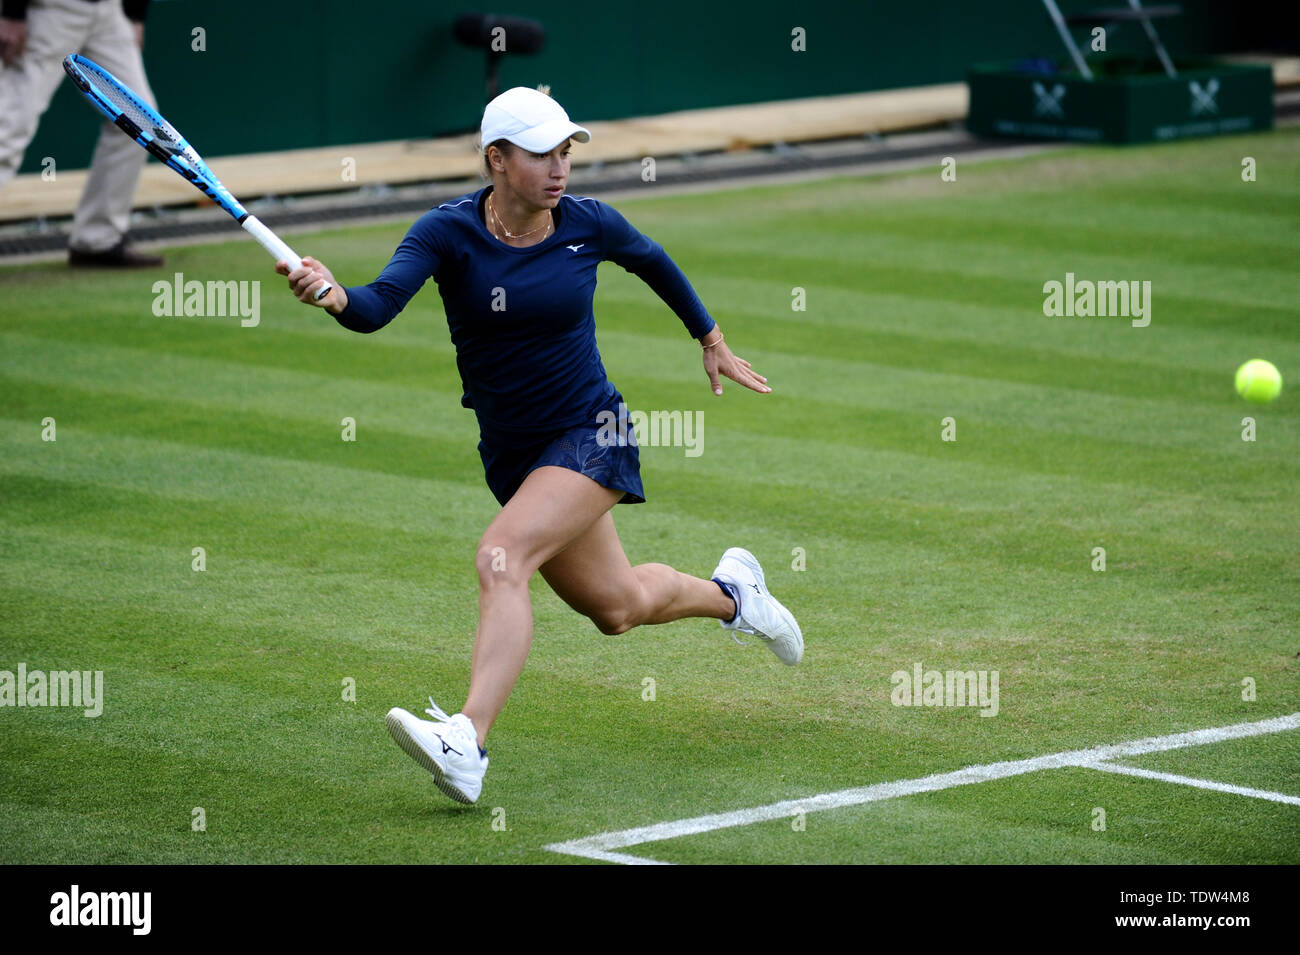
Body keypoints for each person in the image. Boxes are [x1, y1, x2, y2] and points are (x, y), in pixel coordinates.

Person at [277, 86, 802, 805]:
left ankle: (468, 740)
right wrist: (333, 293)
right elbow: (376, 306)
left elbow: (652, 261)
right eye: (541, 153)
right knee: (616, 608)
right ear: (496, 159)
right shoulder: (446, 233)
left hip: (594, 432)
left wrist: (709, 337)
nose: (560, 168)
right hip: (516, 456)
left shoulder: (588, 223)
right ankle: (735, 594)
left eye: (566, 152)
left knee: (501, 556)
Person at [0, 0, 162, 267]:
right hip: (50, 9)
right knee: (8, 129)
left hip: (111, 11)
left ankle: (97, 241)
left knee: (139, 124)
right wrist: (12, 13)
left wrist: (135, 16)